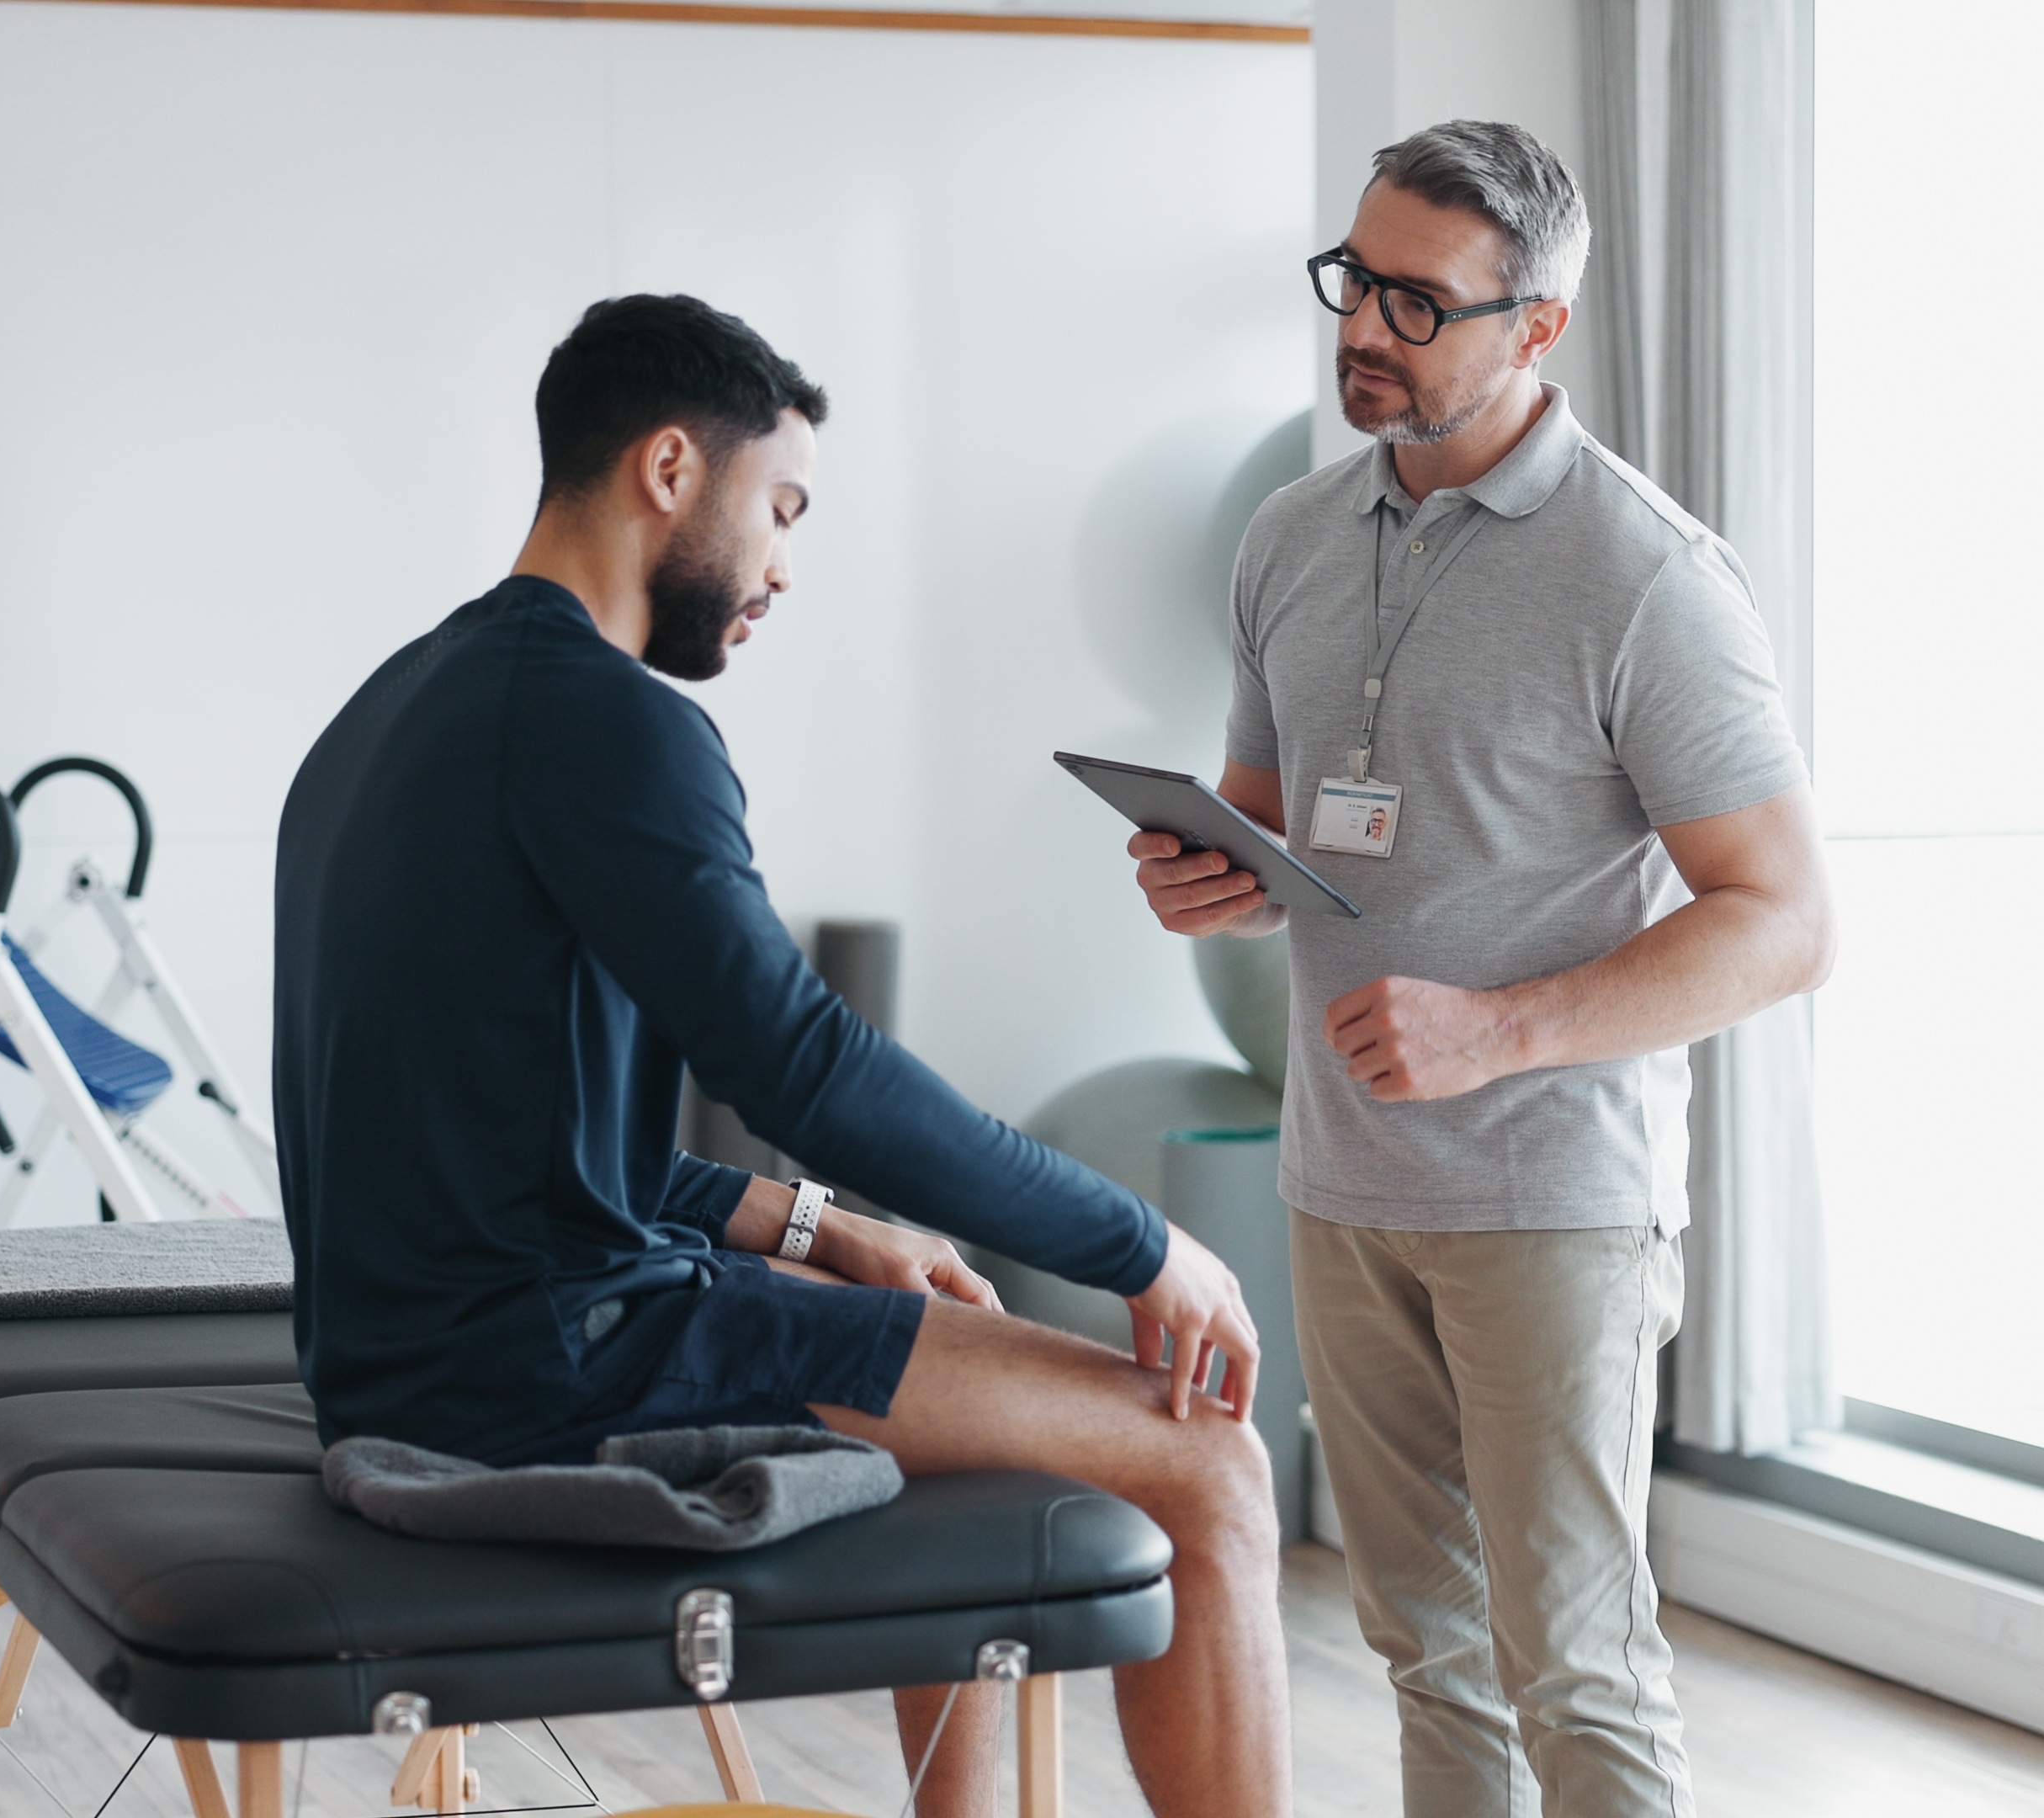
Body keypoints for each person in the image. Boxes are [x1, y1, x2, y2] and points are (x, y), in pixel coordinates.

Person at [274, 294, 1289, 1817]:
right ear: (671, 470)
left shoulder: (394, 710)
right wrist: (1144, 1246)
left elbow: (520, 1141)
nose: (783, 566)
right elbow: (799, 1066)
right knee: (1210, 1463)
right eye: (781, 508)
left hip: (412, 1352)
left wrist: (822, 1227)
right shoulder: (610, 723)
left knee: (944, 1358)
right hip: (542, 1368)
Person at [1126, 122, 1834, 1818]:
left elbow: (1786, 919)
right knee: (1421, 1652)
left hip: (1551, 1207)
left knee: (1573, 1676)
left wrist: (1498, 1027)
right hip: (1342, 1187)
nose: (1360, 327)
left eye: (1412, 303)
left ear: (1535, 329)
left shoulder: (1646, 579)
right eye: (1350, 280)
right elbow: (1273, 827)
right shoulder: (1290, 537)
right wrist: (1207, 875)